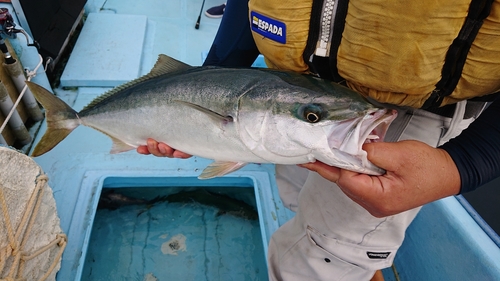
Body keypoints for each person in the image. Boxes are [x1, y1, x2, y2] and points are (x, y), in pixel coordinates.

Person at [139, 0, 500, 280]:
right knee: (297, 198)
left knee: (323, 259)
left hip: (407, 108)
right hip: (293, 86)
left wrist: (464, 163)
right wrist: (210, 84)